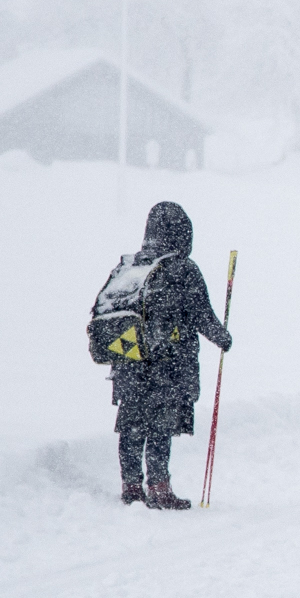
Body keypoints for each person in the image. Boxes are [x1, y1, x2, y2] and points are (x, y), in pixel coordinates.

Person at [93, 199, 232, 509]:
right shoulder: (183, 268)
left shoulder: (130, 266)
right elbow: (202, 315)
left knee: (131, 425)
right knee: (160, 426)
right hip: (167, 366)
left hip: (129, 361)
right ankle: (158, 487)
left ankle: (131, 486)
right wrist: (223, 338)